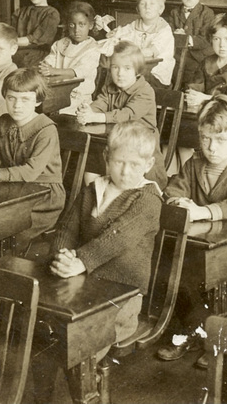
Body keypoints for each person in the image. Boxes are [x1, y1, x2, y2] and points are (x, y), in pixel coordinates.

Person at [39, 122, 163, 400]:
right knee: (46, 335)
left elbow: (116, 239)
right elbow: (68, 227)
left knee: (76, 348)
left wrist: (80, 261)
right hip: (83, 290)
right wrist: (62, 256)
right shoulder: (94, 188)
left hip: (121, 296)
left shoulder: (148, 200)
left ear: (148, 164)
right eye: (119, 162)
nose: (125, 171)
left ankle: (81, 393)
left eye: (134, 164)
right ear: (106, 156)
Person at [156, 96, 227, 369]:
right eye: (205, 139)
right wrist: (177, 201)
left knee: (215, 281)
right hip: (198, 246)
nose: (211, 148)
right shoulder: (195, 163)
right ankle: (192, 329)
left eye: (220, 140)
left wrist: (204, 211)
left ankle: (218, 340)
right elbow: (174, 188)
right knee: (173, 272)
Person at [0, 68, 65, 252]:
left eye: (25, 99)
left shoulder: (46, 130)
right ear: (4, 97)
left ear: (37, 101)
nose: (17, 106)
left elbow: (30, 171)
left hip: (44, 197)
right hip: (15, 190)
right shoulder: (3, 122)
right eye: (11, 98)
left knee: (8, 233)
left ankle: (4, 266)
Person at [76, 41, 168, 188]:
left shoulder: (145, 91)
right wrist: (88, 110)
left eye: (127, 68)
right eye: (115, 67)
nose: (120, 73)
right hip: (116, 146)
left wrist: (97, 117)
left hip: (142, 152)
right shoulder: (110, 88)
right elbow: (101, 103)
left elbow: (128, 114)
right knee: (90, 169)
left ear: (137, 71)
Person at [105, 0, 175, 87]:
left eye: (152, 3)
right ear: (138, 9)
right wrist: (114, 34)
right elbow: (122, 33)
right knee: (112, 70)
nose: (147, 7)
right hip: (136, 69)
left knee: (125, 74)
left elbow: (150, 51)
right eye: (143, 4)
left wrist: (130, 54)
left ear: (161, 8)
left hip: (156, 74)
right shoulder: (134, 25)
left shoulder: (164, 29)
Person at [39, 1, 102, 110]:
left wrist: (53, 71)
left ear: (90, 25)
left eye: (82, 24)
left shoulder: (93, 49)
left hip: (78, 100)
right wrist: (45, 67)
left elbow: (77, 72)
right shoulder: (60, 44)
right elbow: (48, 62)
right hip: (56, 95)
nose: (77, 30)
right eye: (72, 25)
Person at [185, 13, 227, 113]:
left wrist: (206, 99)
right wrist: (192, 95)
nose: (221, 45)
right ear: (211, 40)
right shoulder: (206, 62)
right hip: (204, 112)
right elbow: (195, 87)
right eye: (216, 39)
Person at [166, 0, 216, 86]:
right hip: (177, 58)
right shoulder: (174, 12)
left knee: (192, 82)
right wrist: (176, 35)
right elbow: (166, 35)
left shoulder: (207, 13)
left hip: (199, 60)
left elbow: (206, 39)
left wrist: (187, 39)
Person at [12, 0, 61, 68]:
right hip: (16, 48)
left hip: (38, 53)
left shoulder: (51, 13)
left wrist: (9, 42)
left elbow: (35, 39)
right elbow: (10, 32)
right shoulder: (21, 11)